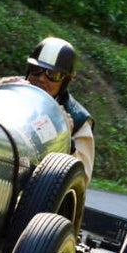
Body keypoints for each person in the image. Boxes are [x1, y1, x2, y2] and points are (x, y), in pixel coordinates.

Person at [25, 37, 95, 184]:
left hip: (38, 193)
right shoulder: (9, 90)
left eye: (53, 75)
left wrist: (64, 138)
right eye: (36, 69)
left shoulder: (79, 121)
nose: (42, 79)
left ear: (65, 81)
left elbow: (80, 179)